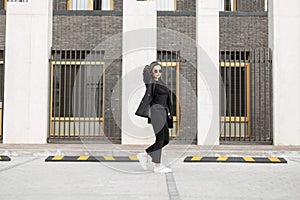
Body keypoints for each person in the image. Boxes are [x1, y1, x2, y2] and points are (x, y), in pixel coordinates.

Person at [135, 61, 173, 173]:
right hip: (156, 113)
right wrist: (151, 67)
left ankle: (145, 154)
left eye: (160, 71)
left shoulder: (161, 82)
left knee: (165, 139)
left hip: (164, 113)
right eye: (155, 71)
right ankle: (157, 165)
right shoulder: (151, 83)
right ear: (151, 72)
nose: (158, 73)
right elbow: (145, 71)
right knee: (160, 139)